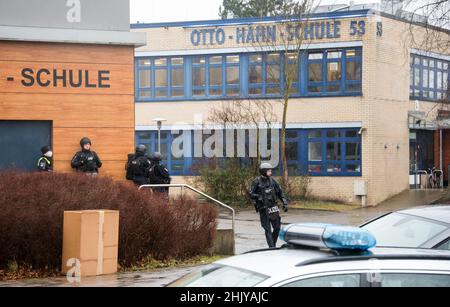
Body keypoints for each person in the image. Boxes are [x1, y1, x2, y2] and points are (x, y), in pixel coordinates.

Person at [249, 162, 289, 248]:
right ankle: (272, 248)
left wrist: (285, 203)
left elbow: (280, 193)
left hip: (273, 208)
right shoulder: (256, 181)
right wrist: (258, 197)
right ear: (263, 171)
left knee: (277, 228)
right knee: (267, 229)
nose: (270, 172)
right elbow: (251, 193)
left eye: (271, 171)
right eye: (269, 171)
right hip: (263, 208)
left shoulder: (273, 181)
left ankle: (272, 244)